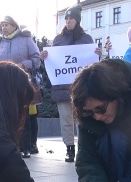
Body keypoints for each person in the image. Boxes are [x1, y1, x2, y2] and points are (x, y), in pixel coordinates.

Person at [40, 4, 102, 162]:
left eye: (71, 18)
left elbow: (92, 64)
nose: (68, 21)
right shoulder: (58, 40)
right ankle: (69, 148)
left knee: (83, 118)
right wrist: (45, 57)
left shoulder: (86, 39)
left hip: (82, 86)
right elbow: (53, 63)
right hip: (62, 86)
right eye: (66, 18)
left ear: (78, 20)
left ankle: (84, 148)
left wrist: (98, 55)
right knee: (66, 118)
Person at [0, 16, 40, 158]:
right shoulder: (0, 43)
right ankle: (12, 146)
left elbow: (36, 59)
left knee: (23, 114)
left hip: (21, 81)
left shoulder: (26, 39)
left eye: (7, 24)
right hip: (4, 85)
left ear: (14, 26)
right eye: (2, 25)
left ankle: (26, 147)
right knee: (7, 114)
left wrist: (23, 65)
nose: (4, 27)